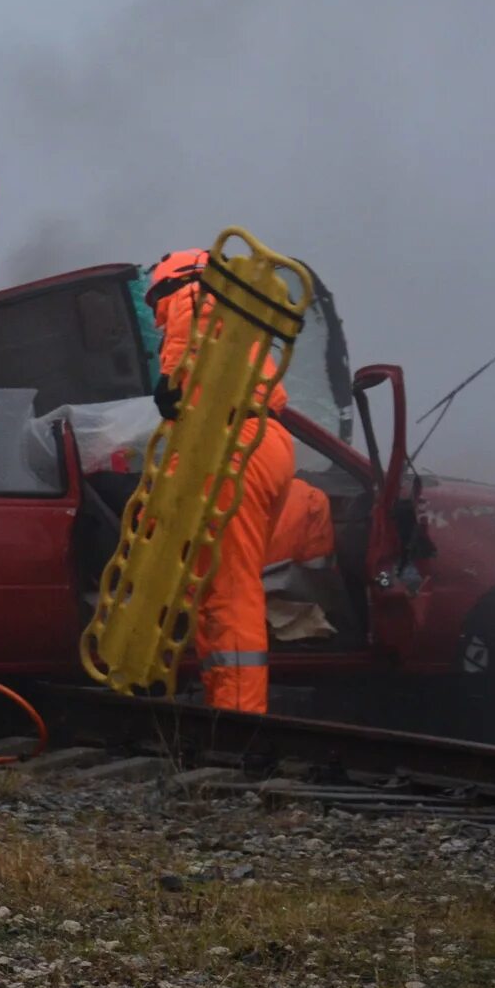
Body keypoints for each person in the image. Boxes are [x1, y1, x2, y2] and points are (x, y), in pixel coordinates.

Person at [146, 246, 291, 712]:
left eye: (155, 306)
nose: (158, 320)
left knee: (228, 590)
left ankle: (239, 720)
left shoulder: (194, 296)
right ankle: (224, 706)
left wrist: (172, 384)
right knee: (214, 584)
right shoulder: (239, 316)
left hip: (234, 442)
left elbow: (187, 338)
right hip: (257, 440)